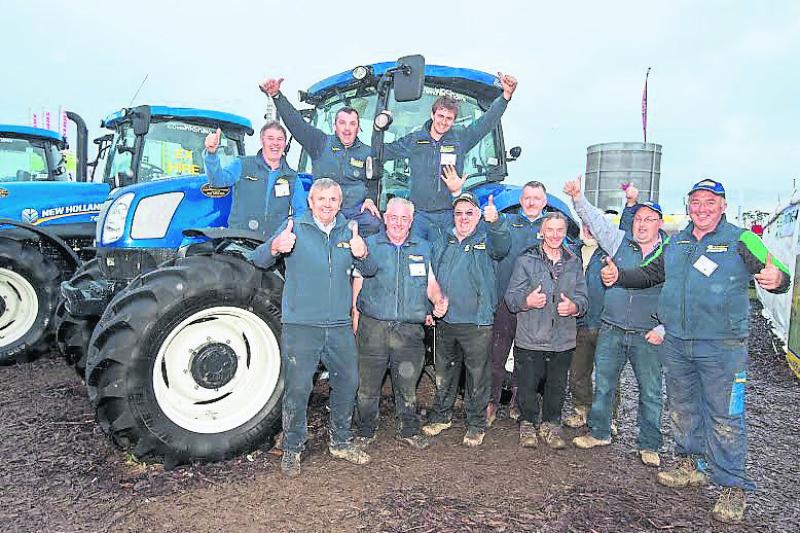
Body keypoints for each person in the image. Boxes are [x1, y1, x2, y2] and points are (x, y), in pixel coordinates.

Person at [601, 178, 790, 524]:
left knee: (724, 416)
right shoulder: (677, 243)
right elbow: (648, 274)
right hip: (678, 343)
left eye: (709, 202)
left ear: (722, 205)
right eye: (696, 202)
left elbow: (780, 273)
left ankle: (733, 487)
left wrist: (778, 280)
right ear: (688, 206)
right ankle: (691, 464)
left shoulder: (741, 239)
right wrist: (619, 276)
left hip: (722, 346)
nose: (702, 208)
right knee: (683, 408)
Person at [248, 178, 370, 477]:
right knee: (299, 388)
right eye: (322, 199)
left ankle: (340, 441)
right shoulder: (295, 227)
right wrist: (276, 246)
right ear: (311, 202)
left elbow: (370, 271)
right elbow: (259, 258)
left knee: (348, 381)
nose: (327, 204)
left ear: (339, 204)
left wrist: (363, 252)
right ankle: (292, 447)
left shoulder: (348, 231)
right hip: (301, 325)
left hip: (339, 325)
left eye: (333, 199)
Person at [564, 178, 666, 468]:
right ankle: (599, 431)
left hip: (648, 333)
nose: (642, 225)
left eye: (650, 220)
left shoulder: (669, 252)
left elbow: (676, 295)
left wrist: (663, 327)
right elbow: (595, 221)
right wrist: (578, 197)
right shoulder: (619, 243)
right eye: (639, 219)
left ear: (660, 223)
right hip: (612, 327)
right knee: (605, 384)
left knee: (650, 391)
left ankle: (649, 444)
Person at [352, 197, 447, 450]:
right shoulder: (368, 246)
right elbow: (358, 284)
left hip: (409, 331)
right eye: (393, 217)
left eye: (404, 218)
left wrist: (438, 299)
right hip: (373, 327)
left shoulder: (424, 248)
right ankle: (365, 430)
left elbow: (431, 284)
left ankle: (408, 429)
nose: (398, 223)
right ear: (384, 217)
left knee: (407, 384)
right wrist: (355, 318)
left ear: (411, 221)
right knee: (367, 386)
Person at [380, 73, 518, 241]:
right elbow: (383, 152)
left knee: (446, 259)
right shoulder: (415, 140)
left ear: (453, 121)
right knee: (417, 256)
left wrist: (505, 97)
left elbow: (487, 122)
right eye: (441, 116)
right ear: (433, 115)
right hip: (419, 216)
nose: (443, 122)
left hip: (448, 214)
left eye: (449, 119)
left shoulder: (461, 138)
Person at [422, 192, 511, 446]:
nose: (463, 218)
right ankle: (441, 416)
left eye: (469, 213)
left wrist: (496, 223)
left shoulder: (487, 239)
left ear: (479, 216)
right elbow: (431, 277)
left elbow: (503, 244)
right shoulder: (443, 241)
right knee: (445, 372)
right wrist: (430, 308)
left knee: (477, 375)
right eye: (459, 213)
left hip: (477, 322)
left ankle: (475, 424)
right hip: (446, 320)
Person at [505, 211, 588, 449]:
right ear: (541, 231)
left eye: (559, 230)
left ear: (565, 232)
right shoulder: (526, 260)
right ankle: (528, 423)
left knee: (556, 386)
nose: (554, 235)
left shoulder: (574, 262)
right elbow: (511, 298)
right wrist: (526, 301)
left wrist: (574, 307)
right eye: (550, 229)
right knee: (528, 386)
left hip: (562, 339)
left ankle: (551, 424)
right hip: (530, 337)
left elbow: (583, 297)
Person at [260, 78, 382, 235]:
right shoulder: (320, 143)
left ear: (358, 128)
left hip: (353, 213)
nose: (347, 128)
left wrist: (370, 199)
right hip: (323, 211)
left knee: (374, 224)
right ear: (335, 126)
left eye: (352, 124)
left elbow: (373, 181)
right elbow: (297, 124)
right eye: (342, 123)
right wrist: (277, 96)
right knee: (299, 231)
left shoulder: (367, 153)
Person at [487, 180, 548, 425]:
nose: (531, 202)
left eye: (537, 198)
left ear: (544, 202)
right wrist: (493, 223)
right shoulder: (508, 223)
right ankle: (490, 402)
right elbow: (498, 250)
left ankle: (518, 401)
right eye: (527, 197)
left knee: (528, 357)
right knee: (497, 353)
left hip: (537, 304)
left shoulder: (552, 227)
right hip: (507, 300)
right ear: (520, 201)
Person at [204, 122, 306, 238]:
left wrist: (289, 234)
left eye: (280, 139)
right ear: (262, 141)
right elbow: (217, 181)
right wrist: (211, 155)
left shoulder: (292, 177)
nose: (275, 143)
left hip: (272, 246)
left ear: (284, 143)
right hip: (240, 241)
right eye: (270, 138)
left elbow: (301, 212)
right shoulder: (242, 164)